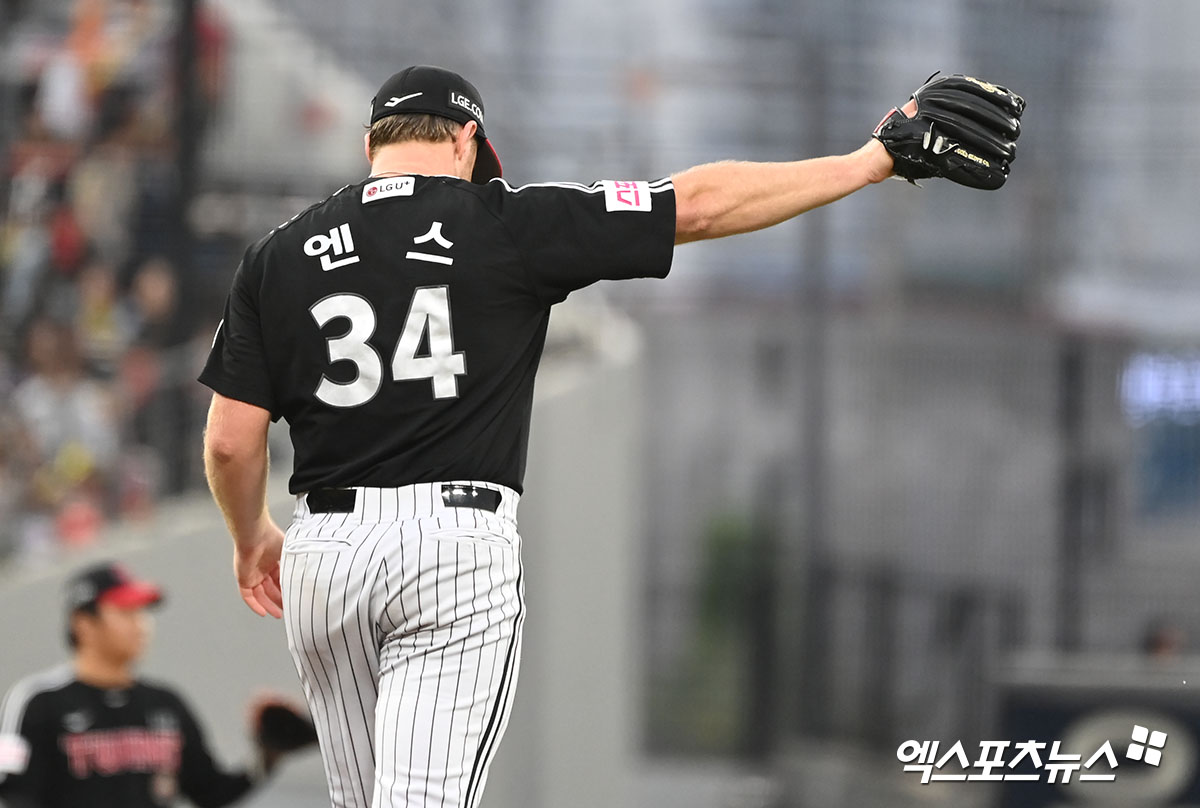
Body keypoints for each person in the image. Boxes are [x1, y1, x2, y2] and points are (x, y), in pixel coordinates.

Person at [199, 65, 1021, 807]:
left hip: (323, 552)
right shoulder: (505, 219)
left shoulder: (278, 255)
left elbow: (232, 442)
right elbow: (695, 205)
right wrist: (868, 160)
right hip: (449, 546)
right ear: (466, 141)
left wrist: (251, 539)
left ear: (370, 144)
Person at [0, 561, 298, 807]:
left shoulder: (164, 704)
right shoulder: (38, 702)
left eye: (143, 612)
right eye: (126, 612)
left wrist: (266, 757)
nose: (141, 624)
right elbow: (14, 796)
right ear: (83, 623)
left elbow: (209, 792)